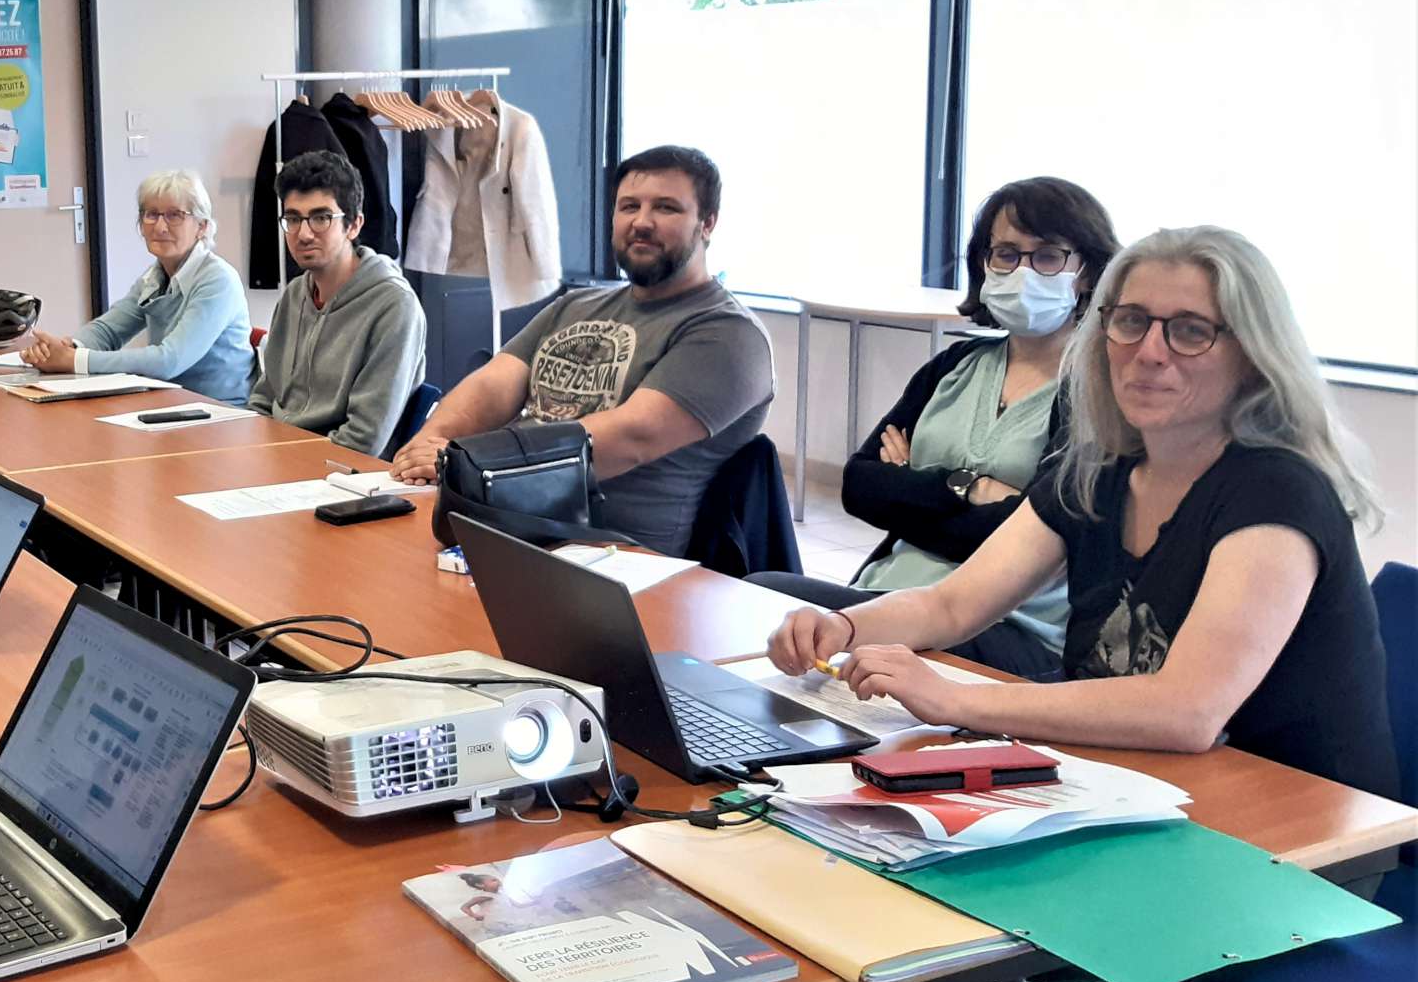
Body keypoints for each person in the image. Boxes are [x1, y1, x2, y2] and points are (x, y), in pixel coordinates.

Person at [767, 227, 1397, 799]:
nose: (1150, 351)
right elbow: (952, 605)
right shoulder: (1097, 471)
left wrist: (956, 699)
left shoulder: (1278, 493)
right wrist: (844, 628)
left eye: (1190, 331)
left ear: (1253, 356)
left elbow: (1187, 712)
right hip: (1128, 784)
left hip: (1294, 825)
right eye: (1131, 321)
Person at [747, 178, 1120, 678]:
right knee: (760, 595)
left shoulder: (1097, 392)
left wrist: (911, 491)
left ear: (1087, 272)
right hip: (884, 597)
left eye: (1048, 257)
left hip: (1010, 626)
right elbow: (860, 487)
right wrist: (966, 487)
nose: (1023, 272)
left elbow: (1036, 539)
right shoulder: (955, 365)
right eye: (1007, 254)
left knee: (779, 599)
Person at [388, 145, 772, 558]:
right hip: (505, 519)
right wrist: (432, 441)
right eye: (629, 206)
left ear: (707, 223)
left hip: (611, 555)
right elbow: (492, 385)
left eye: (666, 208)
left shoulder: (729, 334)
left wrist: (466, 464)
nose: (642, 222)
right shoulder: (576, 306)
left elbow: (630, 438)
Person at [23, 169, 254, 406]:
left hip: (220, 410)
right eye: (151, 214)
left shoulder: (218, 280)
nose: (160, 227)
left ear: (202, 226)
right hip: (171, 403)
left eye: (174, 215)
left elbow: (169, 360)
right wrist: (66, 348)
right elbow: (108, 330)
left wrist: (74, 360)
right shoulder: (156, 276)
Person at [246, 151, 425, 456]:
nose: (303, 234)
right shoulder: (294, 294)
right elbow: (263, 399)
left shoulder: (394, 305)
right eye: (293, 219)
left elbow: (363, 440)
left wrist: (279, 458)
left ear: (354, 225)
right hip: (280, 457)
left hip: (342, 472)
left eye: (321, 218)